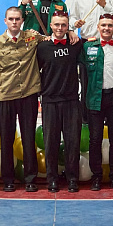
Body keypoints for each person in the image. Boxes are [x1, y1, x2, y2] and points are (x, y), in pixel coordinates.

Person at [0, 7, 48, 193]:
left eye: (17, 19)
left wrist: (71, 31)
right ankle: (8, 179)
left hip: (28, 94)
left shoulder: (32, 37)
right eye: (11, 19)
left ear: (22, 20)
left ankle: (30, 178)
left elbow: (51, 39)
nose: (14, 22)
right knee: (6, 139)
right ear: (5, 21)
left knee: (28, 137)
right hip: (5, 94)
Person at [80, 13, 113, 191]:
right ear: (98, 27)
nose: (106, 28)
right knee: (95, 139)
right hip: (95, 98)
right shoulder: (87, 47)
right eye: (103, 25)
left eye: (110, 25)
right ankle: (96, 177)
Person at [36, 10, 83, 193]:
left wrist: (73, 32)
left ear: (67, 26)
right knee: (51, 143)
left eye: (64, 25)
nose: (60, 28)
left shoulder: (76, 44)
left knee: (73, 143)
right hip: (49, 101)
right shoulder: (42, 48)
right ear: (51, 26)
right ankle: (52, 179)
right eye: (56, 24)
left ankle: (72, 179)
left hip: (71, 101)